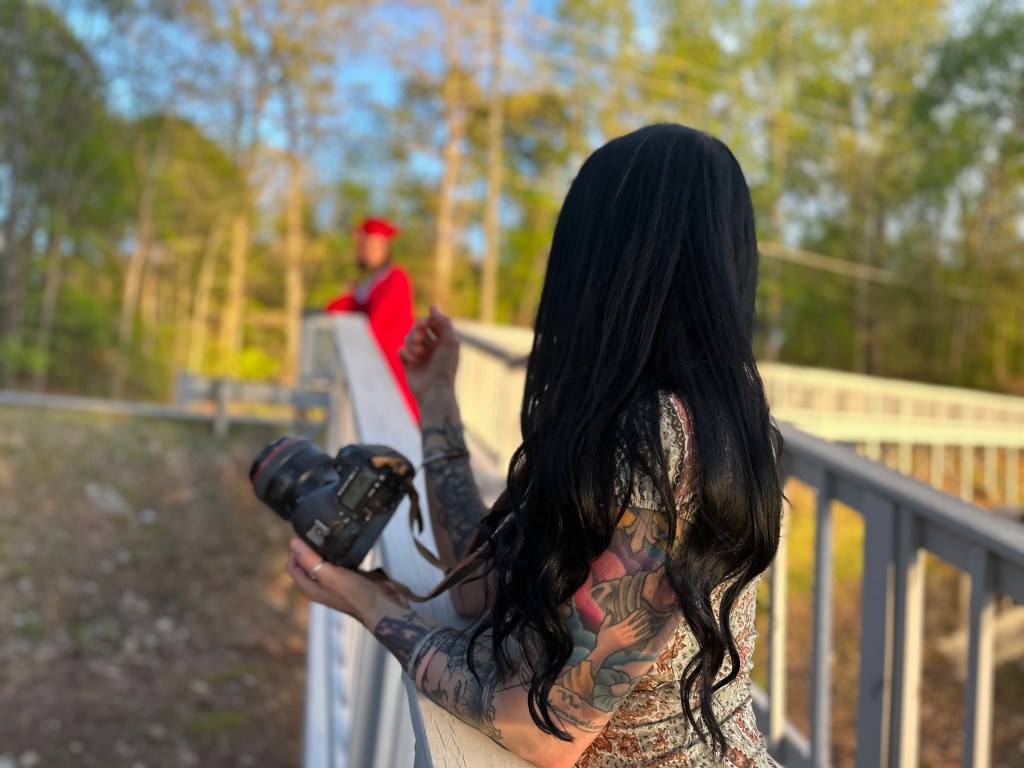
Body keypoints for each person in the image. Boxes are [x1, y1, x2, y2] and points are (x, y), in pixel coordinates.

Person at [289, 124, 784, 767]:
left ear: (609, 253)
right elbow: (477, 587)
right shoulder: (641, 419)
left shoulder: (668, 437)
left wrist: (371, 604)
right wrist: (436, 399)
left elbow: (543, 727)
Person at [325, 216, 419, 422]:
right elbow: (342, 306)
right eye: (367, 246)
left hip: (395, 363)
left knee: (404, 418)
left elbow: (376, 322)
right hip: (379, 362)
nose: (369, 252)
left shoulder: (396, 278)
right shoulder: (373, 281)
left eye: (375, 247)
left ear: (386, 249)